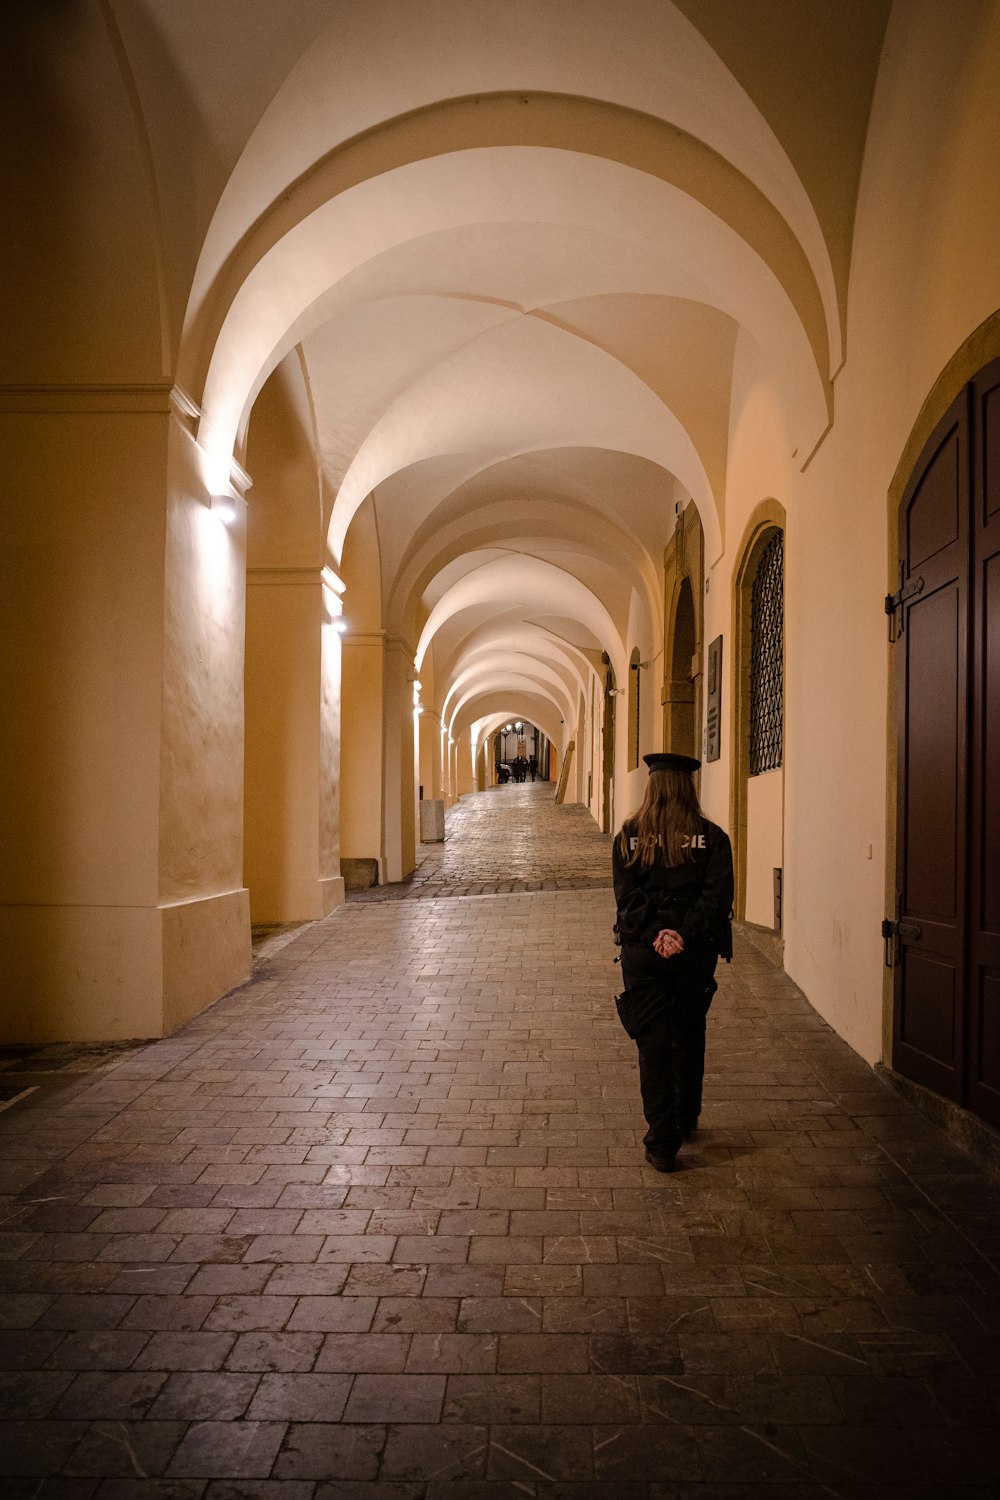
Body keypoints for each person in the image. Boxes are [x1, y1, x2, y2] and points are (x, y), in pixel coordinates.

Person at [612, 752, 733, 1172]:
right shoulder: (713, 837)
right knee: (689, 1031)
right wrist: (683, 933)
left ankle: (662, 1143)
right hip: (693, 953)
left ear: (652, 788)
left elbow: (628, 899)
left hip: (644, 954)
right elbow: (717, 899)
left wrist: (655, 934)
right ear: (688, 789)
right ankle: (685, 1116)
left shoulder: (629, 836)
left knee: (652, 1044)